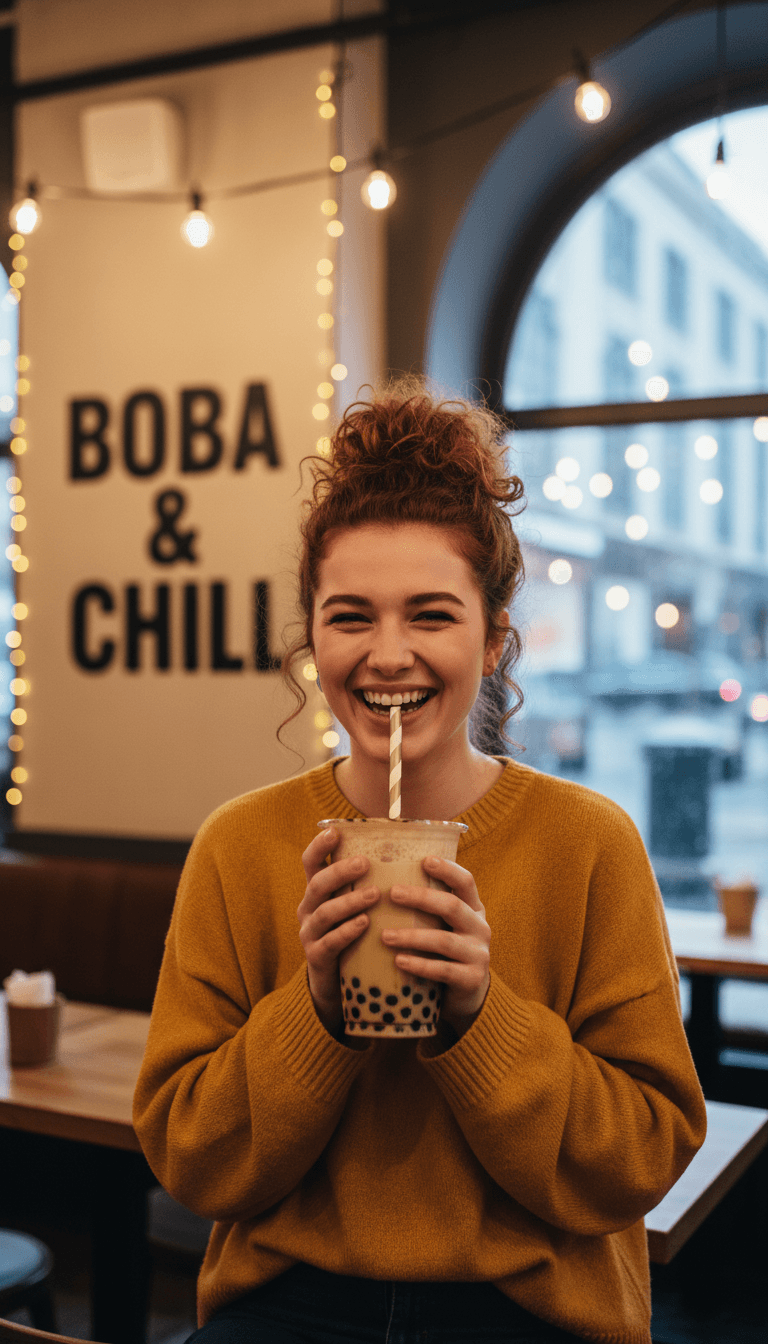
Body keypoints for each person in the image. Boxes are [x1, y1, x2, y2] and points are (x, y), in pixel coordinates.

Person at [133, 380, 707, 1344]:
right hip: (289, 1303)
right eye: (350, 616)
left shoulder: (590, 844)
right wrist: (313, 1013)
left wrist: (483, 1018)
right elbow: (191, 1159)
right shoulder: (241, 847)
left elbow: (644, 1157)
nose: (387, 653)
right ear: (312, 639)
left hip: (529, 1307)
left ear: (493, 641)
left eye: (431, 616)